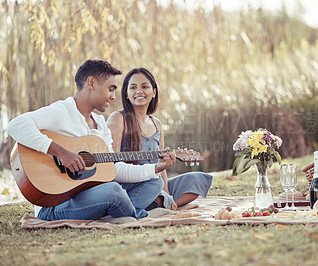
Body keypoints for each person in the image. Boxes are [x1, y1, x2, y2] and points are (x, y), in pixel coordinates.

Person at [6, 60, 176, 223]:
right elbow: (16, 125)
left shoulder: (100, 124)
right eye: (110, 89)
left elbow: (113, 169)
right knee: (113, 191)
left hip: (92, 195)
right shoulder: (63, 111)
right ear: (91, 83)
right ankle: (135, 214)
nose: (112, 96)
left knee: (155, 182)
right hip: (55, 205)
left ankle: (118, 213)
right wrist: (62, 153)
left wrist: (155, 168)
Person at [106, 67, 212, 211]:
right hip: (129, 186)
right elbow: (111, 165)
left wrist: (166, 193)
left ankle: (163, 202)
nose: (139, 91)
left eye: (144, 86)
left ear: (154, 92)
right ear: (126, 93)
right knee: (153, 186)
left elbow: (161, 166)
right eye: (133, 87)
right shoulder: (118, 118)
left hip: (155, 184)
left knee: (198, 179)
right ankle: (163, 204)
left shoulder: (156, 123)